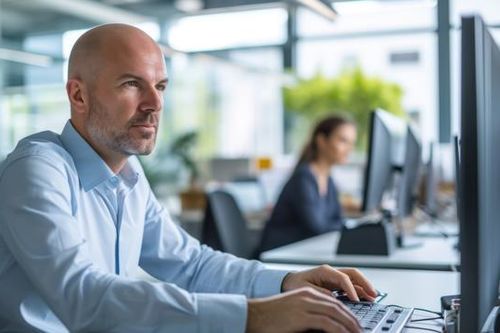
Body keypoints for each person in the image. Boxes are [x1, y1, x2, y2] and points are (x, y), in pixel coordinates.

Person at [0, 24, 376, 333]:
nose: (155, 104)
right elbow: (84, 298)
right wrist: (255, 315)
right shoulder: (37, 169)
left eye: (160, 86)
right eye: (132, 84)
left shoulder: (129, 176)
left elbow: (192, 265)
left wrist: (286, 283)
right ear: (78, 96)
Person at [258, 116, 357, 253]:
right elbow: (317, 228)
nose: (349, 149)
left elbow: (337, 220)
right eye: (343, 141)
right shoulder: (304, 178)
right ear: (321, 141)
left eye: (351, 143)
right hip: (278, 255)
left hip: (303, 252)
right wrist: (352, 226)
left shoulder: (329, 181)